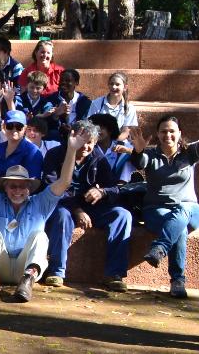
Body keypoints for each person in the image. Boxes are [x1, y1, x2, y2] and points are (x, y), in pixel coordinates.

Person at [0, 116, 79, 302]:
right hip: (1, 267)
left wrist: (71, 150)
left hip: (27, 269)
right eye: (12, 186)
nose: (17, 190)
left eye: (22, 186)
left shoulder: (40, 202)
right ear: (5, 187)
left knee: (40, 237)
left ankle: (27, 283)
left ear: (29, 188)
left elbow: (64, 182)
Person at [131, 95, 199, 298]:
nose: (168, 135)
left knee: (183, 209)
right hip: (156, 211)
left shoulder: (189, 153)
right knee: (180, 229)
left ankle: (160, 247)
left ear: (179, 133)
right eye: (163, 131)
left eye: (172, 131)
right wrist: (137, 151)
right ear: (157, 134)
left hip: (191, 210)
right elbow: (140, 162)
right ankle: (177, 281)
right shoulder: (152, 155)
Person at [41, 120, 131, 291]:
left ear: (95, 143)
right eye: (82, 141)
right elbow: (51, 188)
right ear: (72, 137)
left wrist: (102, 192)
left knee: (122, 215)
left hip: (93, 208)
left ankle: (114, 274)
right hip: (64, 206)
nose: (85, 147)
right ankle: (56, 271)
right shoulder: (54, 155)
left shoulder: (98, 158)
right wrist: (77, 210)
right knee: (61, 215)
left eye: (89, 143)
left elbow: (113, 188)